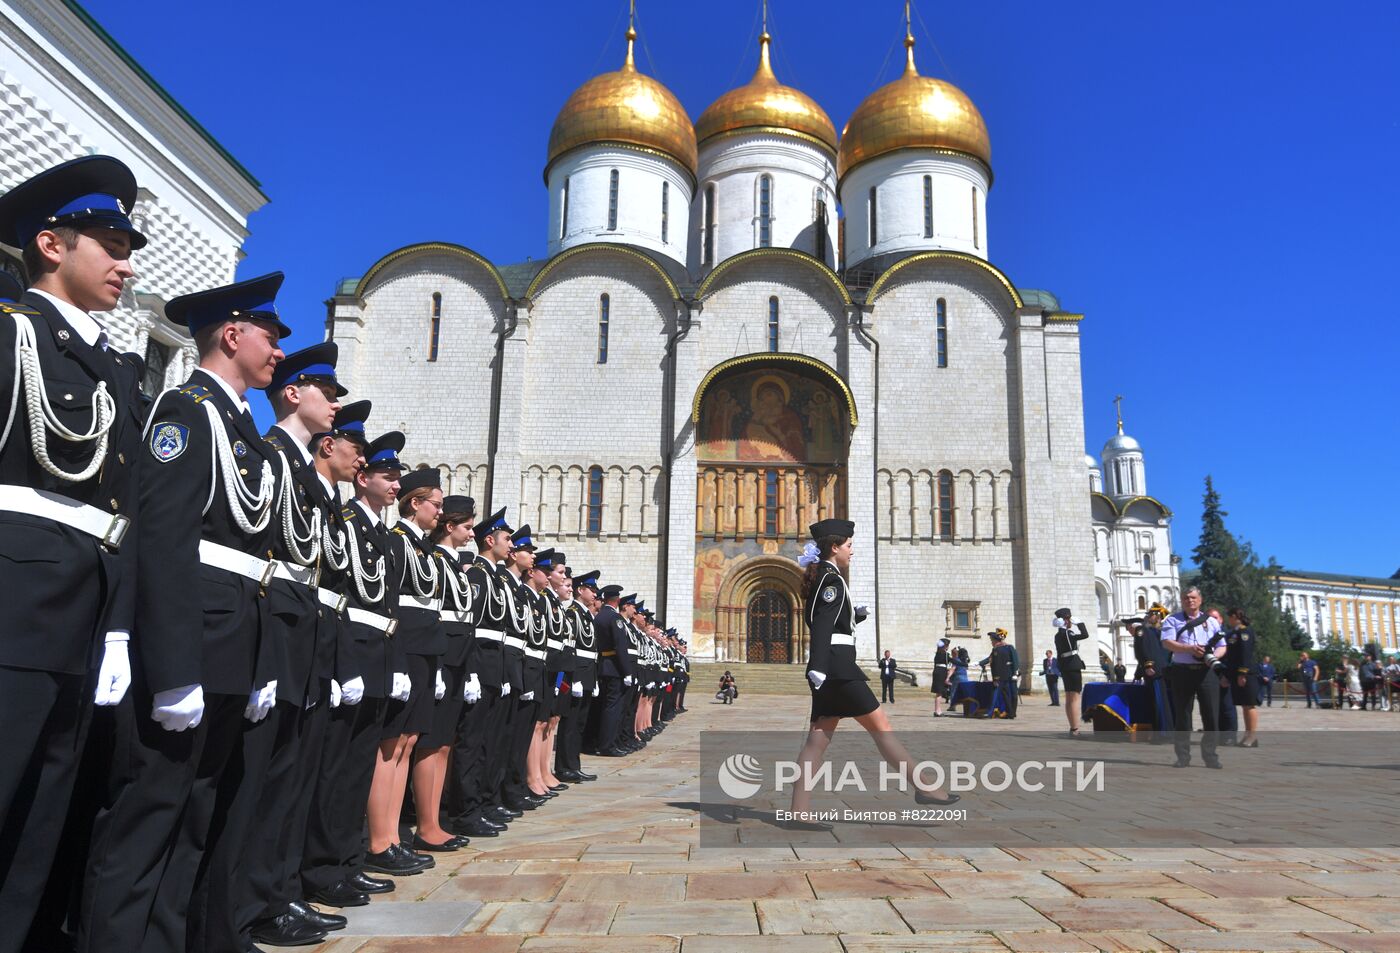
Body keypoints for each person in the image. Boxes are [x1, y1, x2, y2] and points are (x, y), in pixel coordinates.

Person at [81, 272, 289, 953]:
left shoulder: (238, 425)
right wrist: (170, 667)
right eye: (270, 335)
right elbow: (164, 540)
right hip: (190, 645)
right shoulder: (186, 412)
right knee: (147, 818)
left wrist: (260, 664)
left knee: (196, 817)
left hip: (230, 644)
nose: (278, 351)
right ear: (232, 333)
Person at [0, 155, 148, 952]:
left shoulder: (117, 371)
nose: (126, 263)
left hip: (85, 624)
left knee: (40, 831)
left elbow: (119, 514)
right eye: (111, 243)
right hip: (13, 613)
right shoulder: (10, 334)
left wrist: (120, 626)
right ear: (52, 245)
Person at [236, 343, 349, 948]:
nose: (334, 404)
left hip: (304, 627)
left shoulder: (299, 467)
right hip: (274, 624)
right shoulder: (269, 454)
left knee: (293, 775)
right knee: (268, 775)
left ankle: (279, 894)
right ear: (292, 393)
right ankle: (258, 902)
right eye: (326, 393)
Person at [787, 519, 957, 830]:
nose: (852, 551)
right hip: (838, 669)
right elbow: (822, 625)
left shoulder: (827, 576)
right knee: (882, 728)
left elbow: (829, 620)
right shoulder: (832, 581)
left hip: (832, 667)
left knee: (817, 740)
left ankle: (799, 810)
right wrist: (818, 666)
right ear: (835, 547)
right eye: (849, 545)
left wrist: (855, 617)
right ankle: (927, 788)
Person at [446, 507, 516, 837]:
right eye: (507, 539)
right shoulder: (476, 576)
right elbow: (470, 627)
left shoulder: (493, 577)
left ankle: (483, 803)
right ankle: (465, 811)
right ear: (490, 540)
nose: (511, 546)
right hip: (480, 665)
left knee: (488, 741)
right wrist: (472, 672)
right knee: (471, 743)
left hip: (495, 666)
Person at [412, 494, 476, 851]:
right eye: (466, 528)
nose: (470, 535)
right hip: (441, 657)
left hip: (457, 660)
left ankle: (434, 820)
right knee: (430, 743)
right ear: (449, 527)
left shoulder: (453, 564)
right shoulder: (435, 560)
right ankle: (426, 825)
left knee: (444, 744)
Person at [1160, 586, 1225, 769]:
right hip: (1182, 671)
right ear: (1182, 601)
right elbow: (1167, 642)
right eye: (1186, 598)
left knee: (1211, 714)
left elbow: (1222, 645)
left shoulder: (1211, 622)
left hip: (1206, 672)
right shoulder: (1173, 620)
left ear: (1200, 599)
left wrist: (1211, 657)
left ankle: (1211, 756)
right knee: (1182, 715)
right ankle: (1183, 756)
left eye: (1193, 597)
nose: (1190, 600)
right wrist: (1189, 649)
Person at [1222, 607, 1260, 747]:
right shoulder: (1234, 633)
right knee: (1244, 705)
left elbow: (1245, 654)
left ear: (1235, 616)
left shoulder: (1245, 632)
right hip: (1236, 672)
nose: (1228, 620)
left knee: (1249, 705)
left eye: (1229, 617)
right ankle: (1247, 735)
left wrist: (1242, 673)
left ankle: (1252, 735)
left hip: (1246, 673)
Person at [1053, 609, 1090, 734]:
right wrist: (1080, 624)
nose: (1070, 622)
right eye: (1068, 619)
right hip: (1072, 666)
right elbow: (1085, 635)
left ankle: (1072, 727)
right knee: (1075, 698)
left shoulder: (1058, 635)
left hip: (1065, 666)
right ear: (1064, 621)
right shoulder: (1068, 634)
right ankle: (1075, 729)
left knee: (1069, 698)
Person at [983, 629, 1020, 719]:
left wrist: (1015, 672)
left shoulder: (1009, 647)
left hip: (1011, 675)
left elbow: (1015, 660)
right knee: (1006, 695)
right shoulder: (996, 649)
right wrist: (979, 663)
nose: (991, 642)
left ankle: (1012, 712)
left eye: (992, 640)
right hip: (1002, 676)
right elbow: (990, 659)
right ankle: (1010, 713)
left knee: (1014, 695)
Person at [931, 640, 950, 716]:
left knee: (938, 693)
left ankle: (937, 710)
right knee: (939, 693)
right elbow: (952, 661)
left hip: (936, 672)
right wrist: (964, 664)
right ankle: (938, 711)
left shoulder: (937, 654)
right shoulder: (945, 654)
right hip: (941, 672)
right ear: (945, 646)